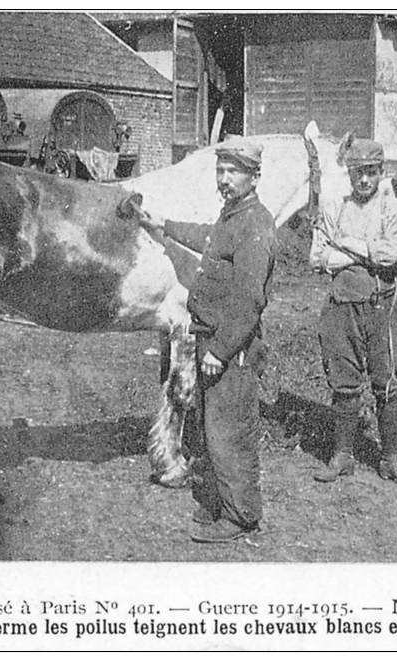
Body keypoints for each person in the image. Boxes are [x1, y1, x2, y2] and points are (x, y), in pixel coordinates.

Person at [163, 135, 277, 543]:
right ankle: (223, 504)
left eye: (234, 172)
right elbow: (207, 239)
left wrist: (222, 350)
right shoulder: (233, 215)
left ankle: (242, 516)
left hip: (232, 349)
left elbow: (249, 300)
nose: (224, 179)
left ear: (254, 177)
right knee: (212, 428)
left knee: (230, 433)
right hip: (212, 338)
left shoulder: (255, 225)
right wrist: (164, 225)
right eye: (221, 171)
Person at [309, 139, 397, 486]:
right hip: (342, 306)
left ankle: (390, 460)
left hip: (382, 307)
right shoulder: (334, 208)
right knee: (344, 382)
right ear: (350, 174)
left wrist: (346, 245)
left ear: (381, 173)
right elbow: (318, 257)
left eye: (371, 173)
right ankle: (342, 456)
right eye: (359, 173)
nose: (365, 180)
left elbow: (389, 257)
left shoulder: (395, 210)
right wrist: (364, 252)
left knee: (388, 383)